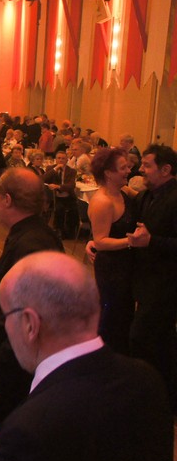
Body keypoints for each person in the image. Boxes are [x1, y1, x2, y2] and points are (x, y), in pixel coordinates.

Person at [0, 251, 173, 461]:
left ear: (30, 324)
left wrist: (4, 450)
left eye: (4, 317)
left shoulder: (25, 431)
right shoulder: (147, 380)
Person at [0, 167, 63, 427]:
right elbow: (10, 281)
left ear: (7, 199)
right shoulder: (31, 234)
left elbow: (28, 319)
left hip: (13, 372)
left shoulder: (31, 244)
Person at [126, 144, 177, 410]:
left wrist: (152, 241)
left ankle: (158, 398)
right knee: (158, 340)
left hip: (166, 284)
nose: (141, 170)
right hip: (144, 281)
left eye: (147, 165)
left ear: (166, 169)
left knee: (144, 338)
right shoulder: (146, 196)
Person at [85, 147, 135, 353]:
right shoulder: (102, 202)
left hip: (126, 265)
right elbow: (101, 242)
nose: (128, 170)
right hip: (112, 268)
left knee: (124, 314)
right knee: (111, 314)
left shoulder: (124, 192)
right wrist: (131, 241)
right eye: (123, 168)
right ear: (108, 173)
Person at [43, 150, 78, 239]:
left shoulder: (71, 171)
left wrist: (58, 186)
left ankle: (70, 232)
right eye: (59, 158)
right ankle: (58, 230)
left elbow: (71, 185)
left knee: (75, 209)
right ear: (56, 159)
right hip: (55, 197)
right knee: (59, 209)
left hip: (68, 195)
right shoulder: (50, 169)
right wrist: (55, 169)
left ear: (66, 160)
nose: (61, 160)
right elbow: (44, 179)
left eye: (63, 158)